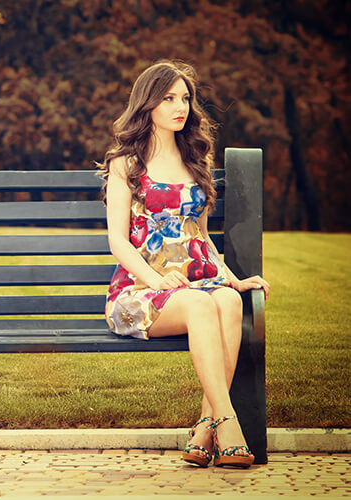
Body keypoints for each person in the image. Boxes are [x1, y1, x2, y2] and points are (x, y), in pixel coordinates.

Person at [98, 61, 269, 469]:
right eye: (169, 98)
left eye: (186, 98)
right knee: (199, 304)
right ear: (148, 103)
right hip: (139, 293)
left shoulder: (197, 158)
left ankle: (204, 428)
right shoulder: (127, 163)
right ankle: (227, 424)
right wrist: (159, 281)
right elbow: (117, 242)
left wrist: (233, 279)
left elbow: (200, 236)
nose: (181, 107)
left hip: (197, 286)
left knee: (227, 302)